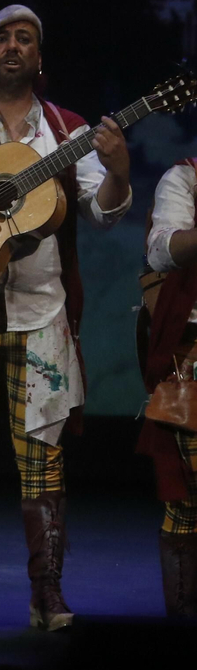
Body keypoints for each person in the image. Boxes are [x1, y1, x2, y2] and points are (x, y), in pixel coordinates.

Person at [0, 5, 129, 632]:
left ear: (40, 58)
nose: (15, 46)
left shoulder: (66, 130)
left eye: (27, 38)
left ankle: (46, 592)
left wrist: (120, 170)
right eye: (2, 37)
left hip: (41, 312)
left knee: (43, 460)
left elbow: (104, 214)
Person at [140, 158, 197, 618]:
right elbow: (160, 253)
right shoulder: (185, 178)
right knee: (185, 503)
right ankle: (181, 630)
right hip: (191, 364)